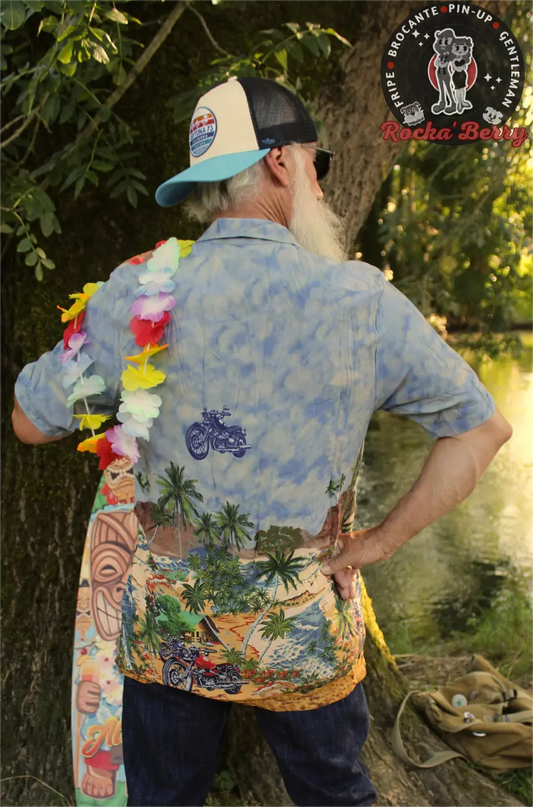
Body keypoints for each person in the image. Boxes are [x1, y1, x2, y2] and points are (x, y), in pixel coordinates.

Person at [12, 76, 512, 807]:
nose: (319, 180)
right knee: (335, 795)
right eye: (317, 161)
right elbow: (482, 429)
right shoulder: (359, 298)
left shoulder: (143, 289)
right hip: (301, 632)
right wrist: (376, 542)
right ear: (280, 162)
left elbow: (31, 420)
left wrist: (115, 348)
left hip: (174, 633)